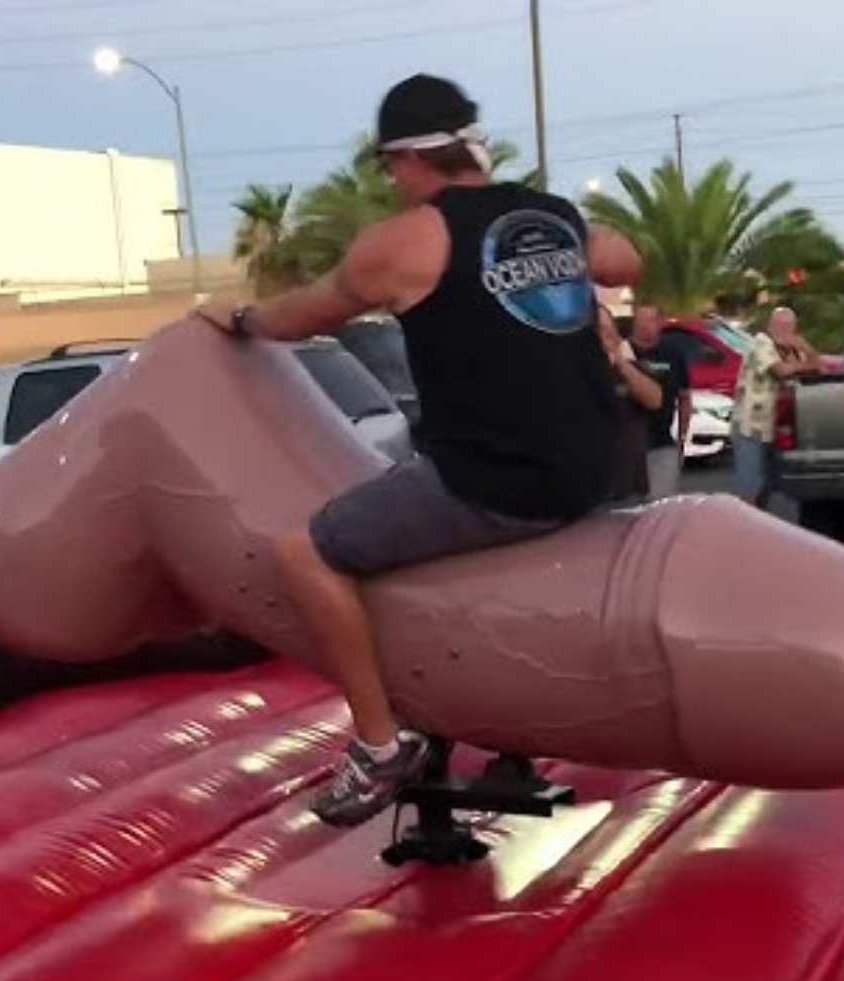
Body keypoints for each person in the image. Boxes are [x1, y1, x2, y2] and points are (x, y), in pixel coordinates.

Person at [192, 73, 643, 826]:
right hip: (596, 465)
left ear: (408, 160)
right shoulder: (553, 217)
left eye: (390, 168)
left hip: (495, 479)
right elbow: (625, 262)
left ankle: (378, 744)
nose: (392, 181)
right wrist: (562, 244)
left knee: (306, 552)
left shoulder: (405, 240)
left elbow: (301, 318)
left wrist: (236, 316)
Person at [728, 306, 821, 508]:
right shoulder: (761, 343)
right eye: (780, 325)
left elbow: (818, 367)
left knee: (766, 488)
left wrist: (805, 347)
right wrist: (804, 364)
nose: (785, 330)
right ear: (770, 326)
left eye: (789, 326)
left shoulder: (793, 350)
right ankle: (743, 532)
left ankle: (759, 532)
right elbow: (780, 371)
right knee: (750, 487)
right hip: (750, 426)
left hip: (773, 428)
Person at [595, 303, 664, 502]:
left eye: (607, 331)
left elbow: (654, 399)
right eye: (596, 330)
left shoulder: (631, 369)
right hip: (590, 492)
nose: (602, 337)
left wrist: (619, 360)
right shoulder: (571, 371)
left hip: (629, 488)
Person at [626, 300, 692, 499]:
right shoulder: (622, 352)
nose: (645, 325)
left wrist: (682, 440)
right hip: (628, 447)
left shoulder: (673, 353)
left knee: (662, 508)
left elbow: (684, 399)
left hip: (662, 443)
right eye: (641, 320)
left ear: (660, 322)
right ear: (634, 322)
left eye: (651, 320)